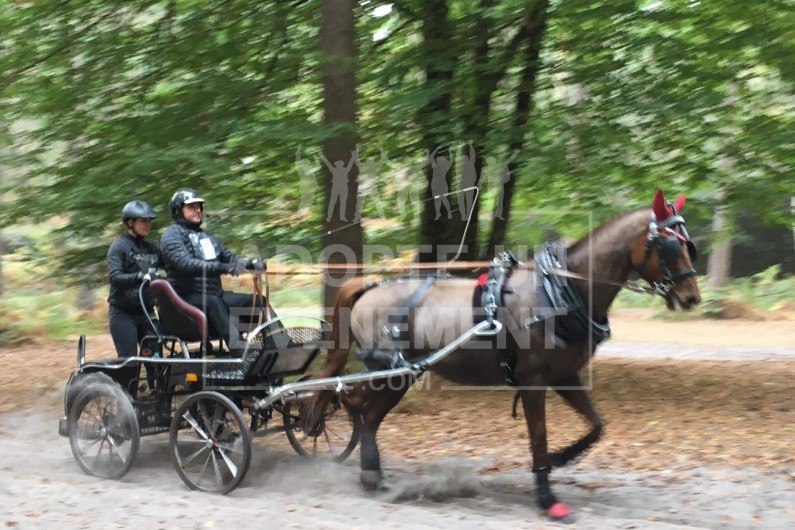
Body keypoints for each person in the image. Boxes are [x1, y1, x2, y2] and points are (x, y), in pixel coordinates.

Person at [159, 188, 266, 357]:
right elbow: (185, 264)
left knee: (258, 302)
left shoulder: (207, 236)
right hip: (185, 300)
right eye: (191, 206)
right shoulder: (171, 236)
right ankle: (242, 353)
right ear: (178, 211)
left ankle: (278, 344)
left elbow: (230, 258)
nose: (197, 210)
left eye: (198, 206)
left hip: (215, 294)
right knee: (213, 302)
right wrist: (222, 268)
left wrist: (250, 264)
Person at [107, 200, 162, 357]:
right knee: (130, 362)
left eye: (149, 221)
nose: (148, 225)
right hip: (123, 314)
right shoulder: (119, 246)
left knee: (156, 362)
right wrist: (140, 276)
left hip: (148, 313)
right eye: (143, 221)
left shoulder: (152, 248)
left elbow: (172, 266)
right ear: (130, 222)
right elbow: (115, 277)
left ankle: (154, 383)